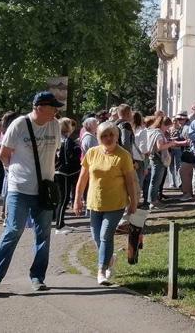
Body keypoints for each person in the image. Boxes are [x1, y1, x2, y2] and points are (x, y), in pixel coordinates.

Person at [0, 91, 63, 297]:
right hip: (19, 189)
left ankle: (37, 277)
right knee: (13, 232)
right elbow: (3, 155)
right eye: (52, 107)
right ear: (39, 107)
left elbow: (54, 154)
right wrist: (16, 174)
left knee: (43, 236)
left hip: (44, 191)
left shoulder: (54, 124)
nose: (56, 111)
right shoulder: (19, 124)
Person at [73, 121, 138, 285]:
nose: (108, 138)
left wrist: (134, 201)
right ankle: (110, 258)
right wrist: (77, 199)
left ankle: (101, 271)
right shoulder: (92, 153)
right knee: (97, 238)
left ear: (117, 136)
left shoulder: (123, 155)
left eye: (111, 135)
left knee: (105, 236)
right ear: (98, 137)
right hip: (94, 202)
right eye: (104, 136)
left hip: (116, 203)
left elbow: (130, 182)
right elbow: (83, 178)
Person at [146, 116, 187, 209]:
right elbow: (160, 147)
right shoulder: (159, 133)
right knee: (156, 181)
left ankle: (152, 200)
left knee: (154, 180)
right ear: (163, 125)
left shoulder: (152, 131)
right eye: (167, 127)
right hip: (158, 158)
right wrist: (171, 144)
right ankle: (153, 201)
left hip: (154, 157)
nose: (168, 129)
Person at [54, 117, 81, 234]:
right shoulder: (67, 141)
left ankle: (62, 223)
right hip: (64, 173)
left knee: (62, 199)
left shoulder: (58, 139)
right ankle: (59, 226)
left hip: (59, 172)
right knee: (63, 200)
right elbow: (69, 159)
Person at [132, 112, 149, 200]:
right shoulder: (143, 131)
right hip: (139, 160)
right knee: (138, 184)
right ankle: (135, 204)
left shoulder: (129, 130)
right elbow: (143, 149)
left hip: (130, 159)